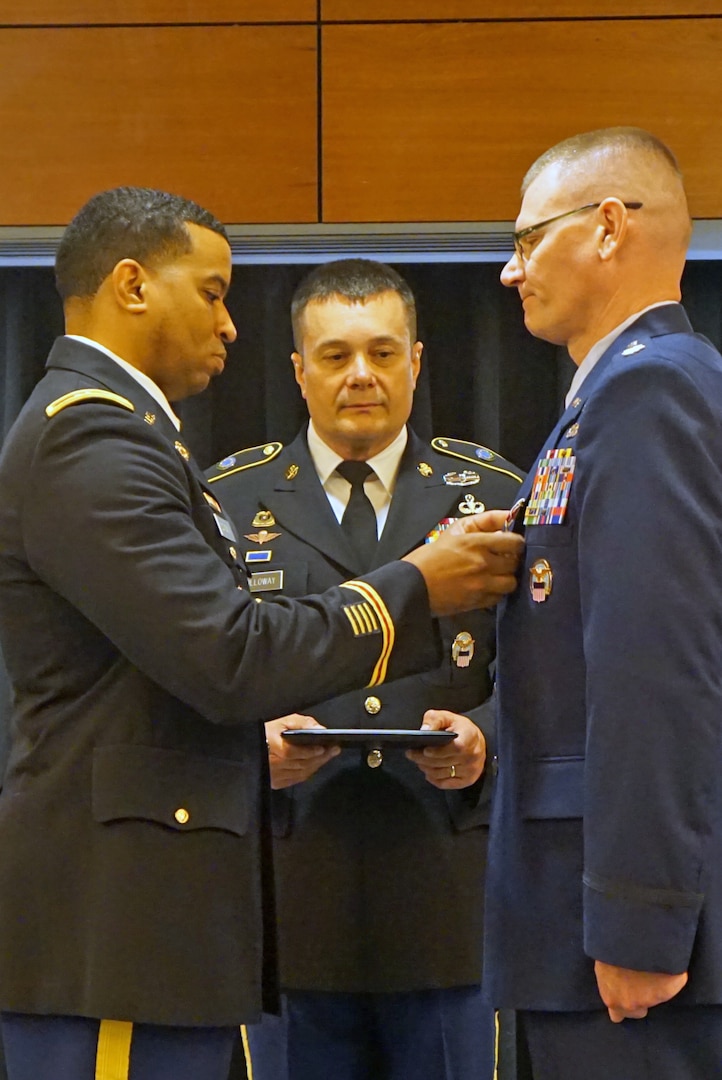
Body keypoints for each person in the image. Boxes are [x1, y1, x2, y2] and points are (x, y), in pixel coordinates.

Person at [0, 189, 524, 1080]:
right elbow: (229, 656)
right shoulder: (93, 436)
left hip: (392, 907)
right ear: (131, 284)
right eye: (210, 292)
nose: (228, 323)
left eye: (384, 352)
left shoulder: (123, 434)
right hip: (124, 928)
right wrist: (414, 586)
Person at [207, 258, 524, 1080]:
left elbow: (549, 677)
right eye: (337, 355)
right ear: (298, 370)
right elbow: (191, 676)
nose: (361, 377)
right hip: (288, 897)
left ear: (417, 363)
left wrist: (486, 739)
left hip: (449, 901)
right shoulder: (228, 504)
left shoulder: (490, 495)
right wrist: (253, 746)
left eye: (384, 354)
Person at [486, 126, 722, 1079]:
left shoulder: (647, 392)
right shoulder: (629, 390)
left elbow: (654, 670)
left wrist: (639, 917)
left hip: (626, 941)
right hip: (589, 920)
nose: (510, 271)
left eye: (527, 238)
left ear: (609, 228)